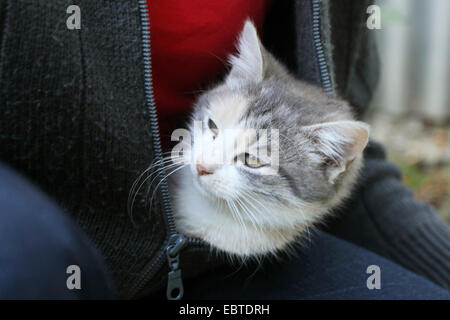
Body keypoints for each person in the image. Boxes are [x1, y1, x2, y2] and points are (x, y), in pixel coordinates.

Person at [0, 0, 448, 299]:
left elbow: (358, 180)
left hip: (225, 273)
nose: (203, 161)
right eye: (211, 127)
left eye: (251, 159)